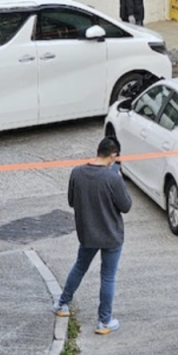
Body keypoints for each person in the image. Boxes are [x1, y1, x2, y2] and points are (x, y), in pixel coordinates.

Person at [54, 137, 132, 335]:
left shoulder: (77, 172)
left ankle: (62, 304)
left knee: (80, 267)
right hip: (111, 235)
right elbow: (126, 206)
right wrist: (118, 178)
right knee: (108, 276)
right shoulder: (113, 178)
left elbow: (71, 201)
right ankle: (104, 322)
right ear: (113, 155)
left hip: (87, 233)